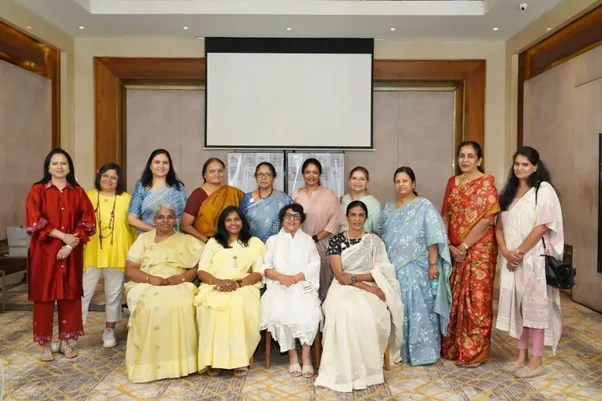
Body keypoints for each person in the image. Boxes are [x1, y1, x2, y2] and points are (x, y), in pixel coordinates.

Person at [314, 201, 403, 392]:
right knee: (343, 309)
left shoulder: (374, 241)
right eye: (353, 215)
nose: (357, 219)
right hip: (341, 287)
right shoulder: (336, 240)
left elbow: (380, 272)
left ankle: (366, 370)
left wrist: (361, 281)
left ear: (366, 218)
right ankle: (342, 369)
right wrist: (363, 285)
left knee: (366, 313)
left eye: (361, 215)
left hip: (370, 284)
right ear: (347, 217)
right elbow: (340, 275)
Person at [495, 146, 563, 378]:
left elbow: (543, 225)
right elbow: (499, 227)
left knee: (535, 310)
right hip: (511, 260)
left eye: (525, 164)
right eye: (517, 163)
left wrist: (519, 253)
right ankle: (521, 356)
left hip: (533, 259)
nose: (520, 168)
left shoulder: (542, 190)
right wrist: (506, 252)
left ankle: (537, 361)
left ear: (535, 167)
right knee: (519, 308)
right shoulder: (508, 193)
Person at [376, 167, 452, 366]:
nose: (401, 184)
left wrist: (433, 264)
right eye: (398, 181)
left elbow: (433, 236)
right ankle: (399, 351)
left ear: (413, 184)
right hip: (393, 268)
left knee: (419, 309)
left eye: (405, 181)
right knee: (397, 308)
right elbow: (379, 232)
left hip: (417, 267)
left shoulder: (423, 206)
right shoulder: (389, 207)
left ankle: (423, 352)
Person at [25, 148, 96, 361]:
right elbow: (35, 222)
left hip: (71, 253)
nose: (59, 167)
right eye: (55, 163)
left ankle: (66, 342)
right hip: (44, 253)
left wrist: (70, 244)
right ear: (48, 167)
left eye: (63, 163)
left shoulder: (78, 192)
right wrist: (63, 236)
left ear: (69, 167)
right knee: (44, 296)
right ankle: (45, 345)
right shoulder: (37, 190)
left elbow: (88, 223)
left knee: (70, 296)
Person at [124, 201, 203, 383]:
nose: (165, 221)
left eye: (170, 217)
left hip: (178, 281)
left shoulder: (186, 240)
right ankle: (149, 365)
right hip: (146, 282)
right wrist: (150, 278)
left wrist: (181, 278)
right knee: (150, 305)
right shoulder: (144, 239)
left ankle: (182, 363)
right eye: (160, 217)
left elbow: (200, 266)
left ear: (176, 220)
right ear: (154, 220)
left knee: (184, 302)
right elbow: (130, 269)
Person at [440, 141, 500, 367]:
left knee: (477, 299)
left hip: (479, 250)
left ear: (479, 160)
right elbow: (445, 215)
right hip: (454, 250)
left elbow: (487, 221)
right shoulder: (452, 182)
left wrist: (464, 246)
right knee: (454, 298)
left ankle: (475, 351)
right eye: (462, 156)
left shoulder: (487, 184)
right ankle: (455, 347)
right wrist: (449, 244)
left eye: (470, 156)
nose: (465, 160)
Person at [195, 206, 265, 377]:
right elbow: (201, 271)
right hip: (214, 285)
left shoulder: (254, 242)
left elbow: (259, 272)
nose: (233, 223)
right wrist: (218, 283)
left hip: (244, 286)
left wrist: (238, 283)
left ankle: (240, 360)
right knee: (210, 307)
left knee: (236, 304)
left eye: (236, 219)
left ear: (243, 222)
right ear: (223, 223)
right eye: (228, 220)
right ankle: (213, 360)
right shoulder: (213, 242)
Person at [260, 203, 322, 378]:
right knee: (281, 310)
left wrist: (297, 278)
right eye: (288, 216)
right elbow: (265, 268)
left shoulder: (308, 241)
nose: (292, 220)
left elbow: (315, 264)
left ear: (301, 220)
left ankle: (306, 356)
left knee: (311, 312)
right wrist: (282, 278)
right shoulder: (272, 241)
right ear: (282, 220)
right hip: (279, 285)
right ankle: (293, 356)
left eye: (296, 216)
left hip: (303, 284)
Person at [82, 163, 134, 348]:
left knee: (113, 294)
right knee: (83, 293)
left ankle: (109, 331)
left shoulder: (127, 199)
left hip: (117, 253)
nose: (109, 180)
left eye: (113, 177)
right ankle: (73, 331)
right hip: (91, 252)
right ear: (99, 177)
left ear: (119, 181)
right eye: (105, 175)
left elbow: (132, 227)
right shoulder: (87, 196)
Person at [293, 158, 343, 301]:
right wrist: (305, 241)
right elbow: (291, 219)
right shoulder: (296, 195)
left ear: (320, 174)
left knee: (324, 280)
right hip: (301, 246)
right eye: (307, 172)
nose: (311, 175)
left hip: (324, 244)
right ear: (303, 174)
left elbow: (335, 221)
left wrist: (316, 237)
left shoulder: (329, 194)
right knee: (303, 280)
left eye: (315, 172)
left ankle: (323, 310)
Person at [181, 157, 244, 242]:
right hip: (204, 243)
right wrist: (207, 241)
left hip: (232, 242)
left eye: (220, 171)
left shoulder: (234, 192)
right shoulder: (198, 194)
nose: (216, 174)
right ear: (205, 175)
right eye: (212, 171)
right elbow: (185, 225)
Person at [128, 149, 187, 233]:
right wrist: (158, 231)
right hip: (149, 237)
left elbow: (186, 218)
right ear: (150, 166)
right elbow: (132, 219)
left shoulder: (178, 188)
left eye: (165, 163)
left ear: (169, 166)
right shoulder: (142, 187)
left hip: (174, 237)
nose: (161, 165)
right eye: (157, 162)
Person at [240, 162, 293, 242]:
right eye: (260, 174)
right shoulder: (247, 198)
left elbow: (293, 222)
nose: (263, 178)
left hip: (277, 245)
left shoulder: (284, 199)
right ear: (256, 177)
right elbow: (240, 222)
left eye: (268, 174)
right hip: (252, 245)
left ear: (273, 177)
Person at [340, 166, 382, 232]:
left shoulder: (374, 204)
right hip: (342, 237)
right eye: (354, 178)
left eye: (362, 179)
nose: (357, 182)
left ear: (367, 183)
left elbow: (378, 231)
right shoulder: (343, 200)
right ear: (349, 182)